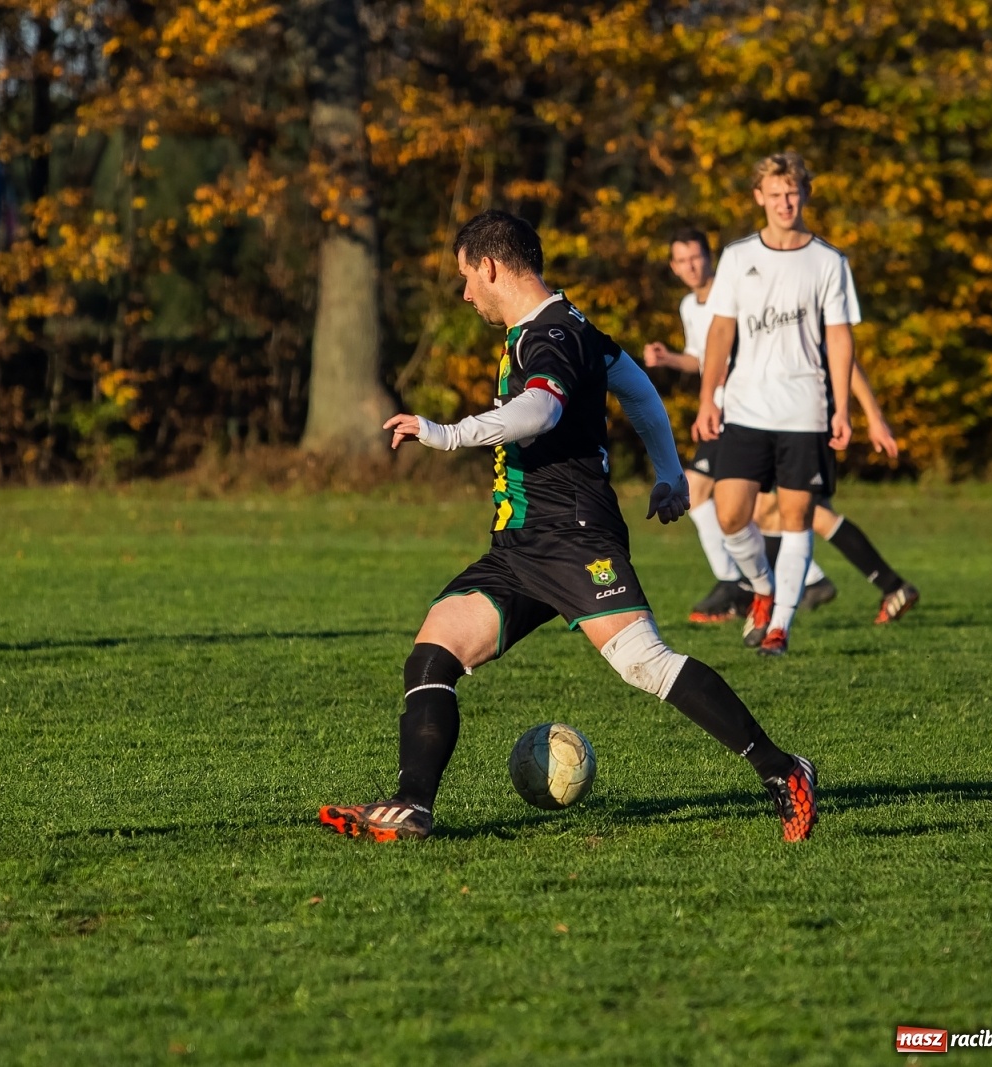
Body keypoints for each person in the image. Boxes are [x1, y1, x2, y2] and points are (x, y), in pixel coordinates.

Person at [318, 209, 817, 844]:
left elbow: (541, 410)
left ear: (491, 267)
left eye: (466, 277)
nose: (466, 293)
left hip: (575, 536)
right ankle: (413, 804)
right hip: (520, 544)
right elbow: (638, 392)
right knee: (432, 654)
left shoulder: (549, 335)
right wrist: (670, 473)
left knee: (645, 662)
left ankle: (783, 770)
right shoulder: (573, 324)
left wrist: (446, 434)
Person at [695, 153, 917, 658]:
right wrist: (708, 397)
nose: (784, 203)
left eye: (792, 194)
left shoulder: (829, 262)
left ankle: (780, 628)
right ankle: (762, 588)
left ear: (805, 195)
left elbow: (839, 340)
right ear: (760, 198)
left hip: (806, 411)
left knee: (796, 518)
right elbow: (720, 331)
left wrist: (843, 410)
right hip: (746, 408)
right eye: (774, 195)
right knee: (730, 515)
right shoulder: (736, 256)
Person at [648, 227, 918, 626]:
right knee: (773, 509)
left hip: (770, 414)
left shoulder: (751, 289)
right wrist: (672, 361)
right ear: (672, 267)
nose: (691, 267)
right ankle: (842, 583)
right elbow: (704, 358)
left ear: (711, 258)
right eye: (681, 260)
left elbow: (838, 351)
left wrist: (871, 416)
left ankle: (743, 586)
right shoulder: (692, 307)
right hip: (736, 416)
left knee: (756, 504)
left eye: (697, 257)